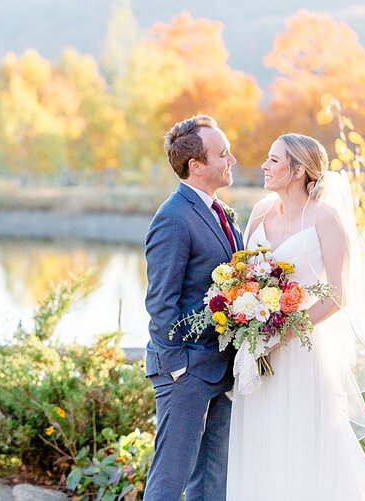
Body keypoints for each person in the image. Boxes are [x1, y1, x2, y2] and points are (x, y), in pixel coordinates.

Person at [226, 133, 365, 500]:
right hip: (255, 351)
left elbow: (335, 295)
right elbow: (242, 273)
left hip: (300, 351)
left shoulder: (325, 219)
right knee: (261, 441)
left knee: (303, 443)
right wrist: (246, 316)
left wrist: (281, 332)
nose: (264, 167)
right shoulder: (261, 211)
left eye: (273, 161)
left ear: (298, 170)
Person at [144, 114, 244, 501]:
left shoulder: (220, 212)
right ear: (196, 166)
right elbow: (160, 301)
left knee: (212, 483)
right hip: (184, 372)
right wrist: (177, 368)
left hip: (220, 367)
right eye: (223, 154)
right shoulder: (173, 217)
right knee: (169, 484)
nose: (232, 159)